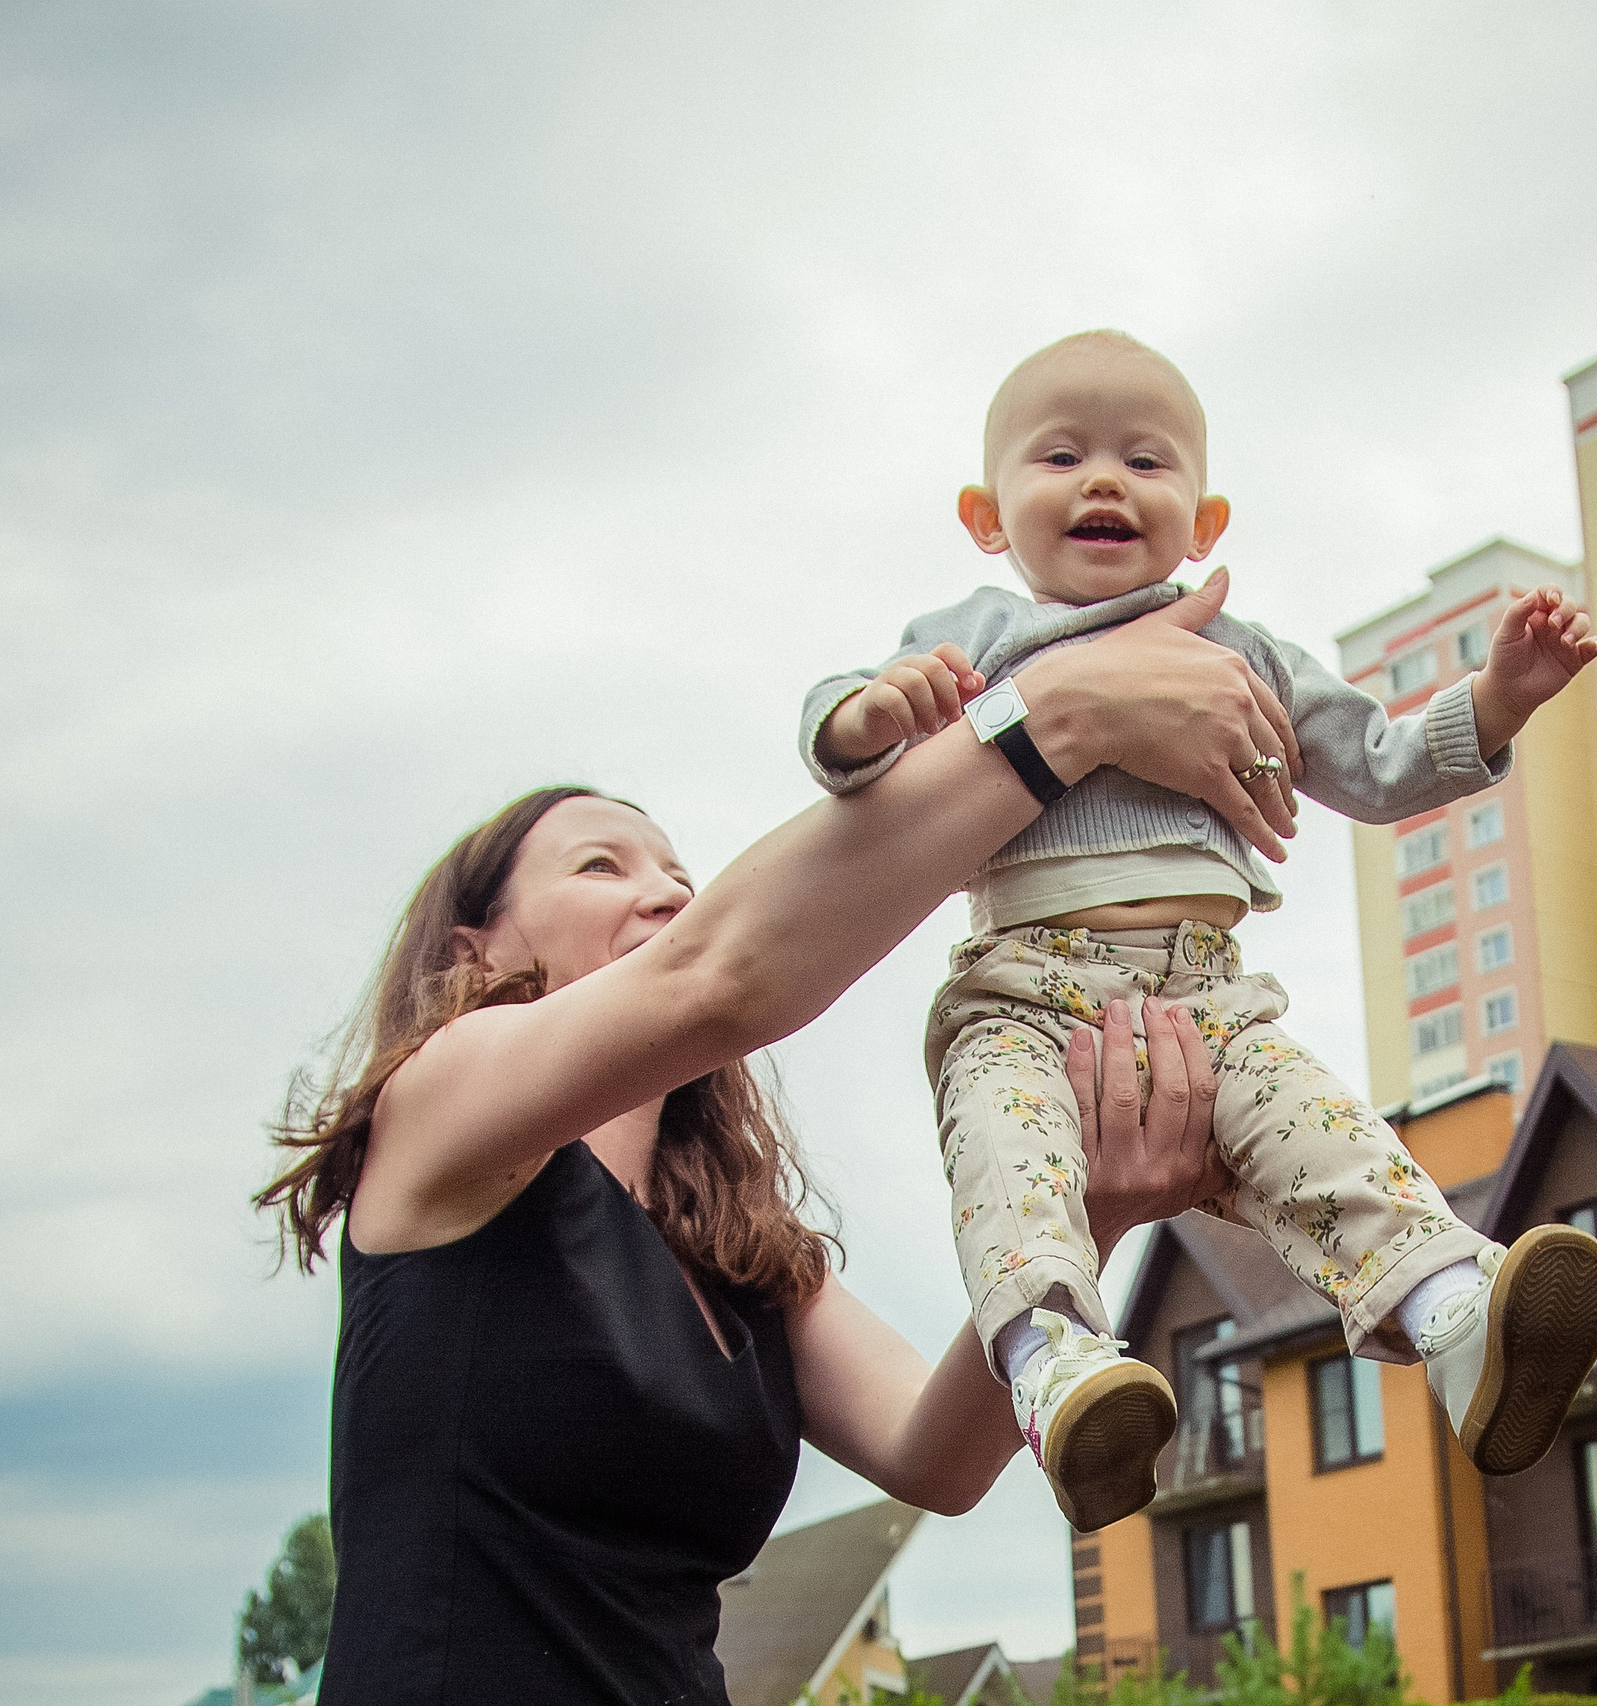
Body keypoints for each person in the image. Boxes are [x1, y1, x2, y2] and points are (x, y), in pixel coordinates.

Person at [257, 584, 1305, 1706]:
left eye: (676, 871)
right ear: (478, 941)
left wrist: (1093, 1209)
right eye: (600, 865)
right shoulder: (439, 1108)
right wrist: (1057, 714)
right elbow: (725, 975)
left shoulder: (739, 1252)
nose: (662, 887)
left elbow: (932, 1456)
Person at [798, 329, 1597, 1534]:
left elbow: (1380, 765)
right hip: (1023, 995)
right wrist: (870, 716)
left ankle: (1455, 1315)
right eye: (1061, 455)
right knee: (1007, 1163)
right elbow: (839, 732)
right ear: (986, 515)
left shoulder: (1245, 654)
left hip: (1211, 1003)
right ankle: (1054, 1366)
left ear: (1206, 516)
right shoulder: (971, 633)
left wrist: (1497, 700)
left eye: (1145, 458)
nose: (1104, 481)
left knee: (1330, 1141)